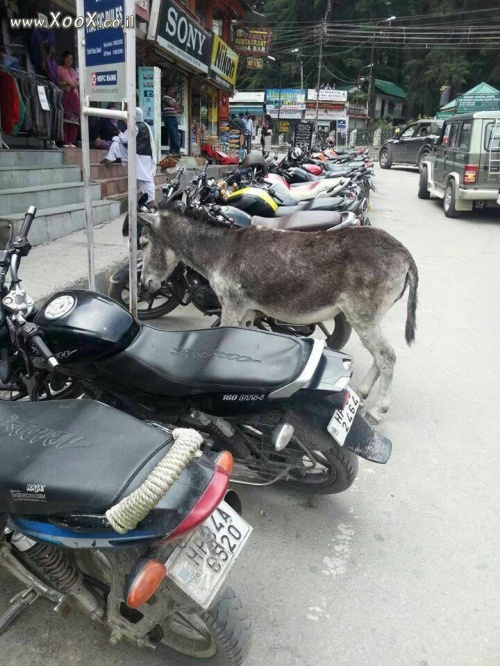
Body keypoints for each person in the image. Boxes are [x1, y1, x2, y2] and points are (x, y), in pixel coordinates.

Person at [101, 107, 157, 207]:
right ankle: (110, 158)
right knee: (147, 179)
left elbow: (125, 139)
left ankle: (151, 202)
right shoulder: (146, 125)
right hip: (146, 157)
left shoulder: (134, 127)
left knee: (144, 179)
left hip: (138, 156)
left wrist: (119, 132)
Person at [57, 51, 80, 147]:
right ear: (63, 58)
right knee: (64, 120)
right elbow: (57, 81)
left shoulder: (73, 71)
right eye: (67, 58)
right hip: (64, 96)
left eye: (71, 59)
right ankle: (65, 141)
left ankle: (71, 141)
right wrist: (67, 82)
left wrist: (72, 84)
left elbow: (77, 82)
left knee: (74, 121)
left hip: (74, 98)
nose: (69, 60)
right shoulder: (59, 69)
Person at [161, 84, 181, 156]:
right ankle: (177, 150)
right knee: (173, 134)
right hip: (168, 118)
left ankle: (173, 150)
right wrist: (174, 105)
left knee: (175, 134)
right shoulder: (165, 97)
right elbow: (172, 104)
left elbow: (179, 109)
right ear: (168, 89)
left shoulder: (173, 99)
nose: (174, 91)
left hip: (174, 118)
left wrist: (174, 105)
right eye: (172, 89)